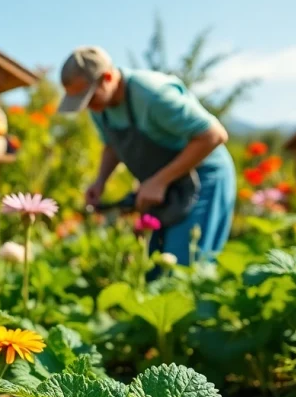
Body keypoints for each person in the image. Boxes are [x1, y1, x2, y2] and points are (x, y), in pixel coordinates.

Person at [58, 46, 235, 265]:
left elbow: (214, 135)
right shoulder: (99, 107)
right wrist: (100, 182)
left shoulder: (152, 95)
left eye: (90, 98)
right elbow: (112, 146)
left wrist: (159, 181)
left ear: (108, 77)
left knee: (185, 264)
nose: (90, 108)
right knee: (150, 263)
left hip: (204, 175)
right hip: (165, 183)